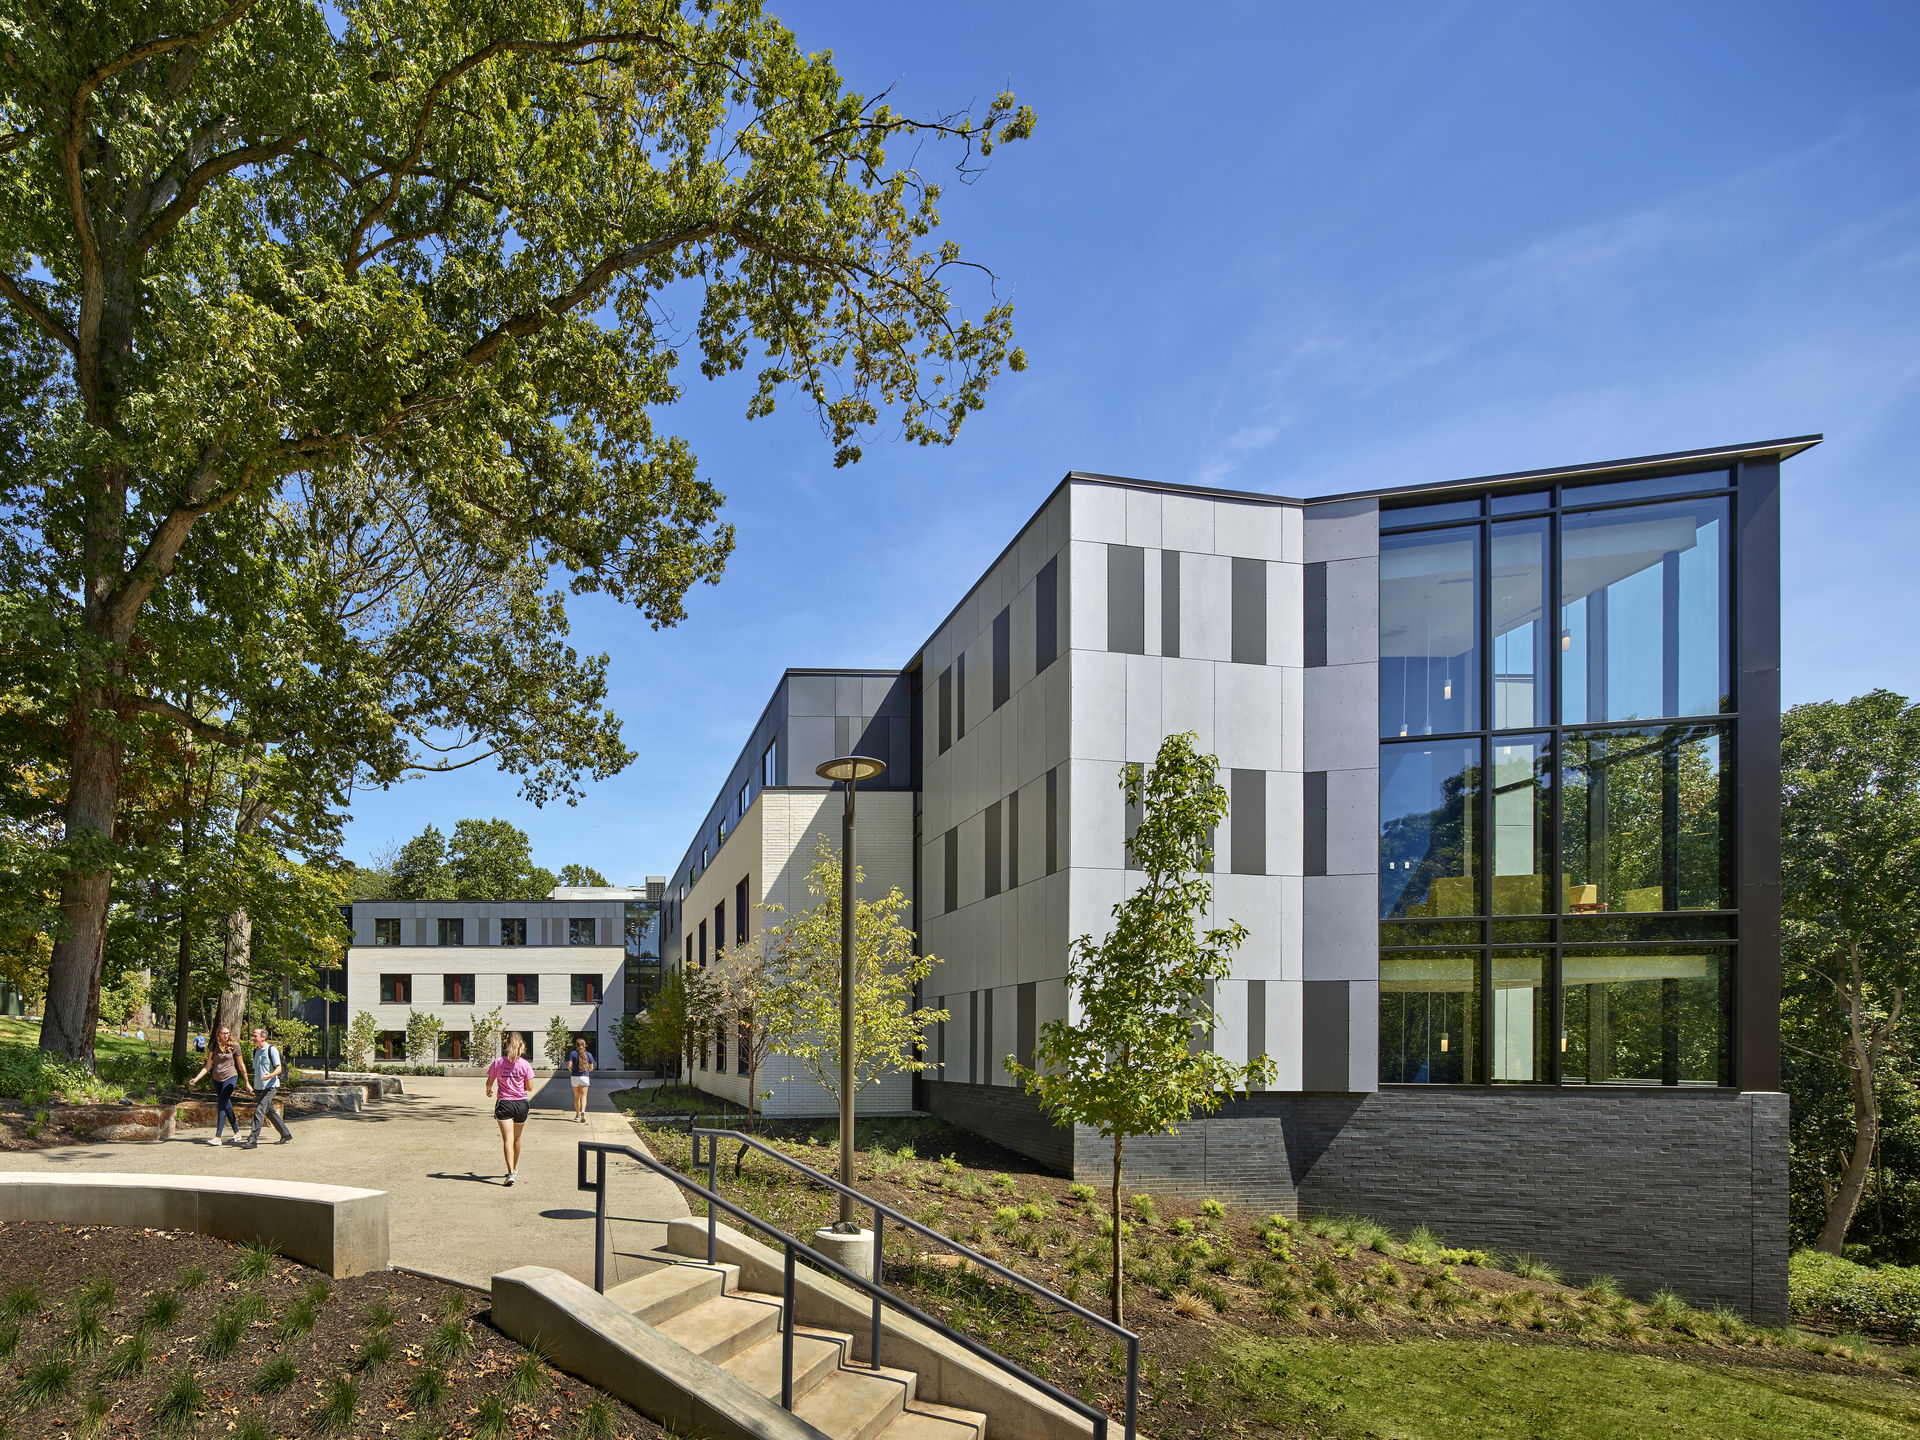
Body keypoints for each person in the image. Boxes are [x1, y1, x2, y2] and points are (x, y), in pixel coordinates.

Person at [187, 1025, 251, 1146]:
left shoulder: (234, 1046)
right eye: (223, 1033)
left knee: (221, 1105)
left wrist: (247, 1081)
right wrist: (196, 1078)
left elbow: (241, 1065)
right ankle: (237, 1133)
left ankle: (218, 1137)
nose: (226, 1035)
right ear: (218, 1034)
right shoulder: (214, 1046)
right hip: (217, 1079)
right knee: (227, 1106)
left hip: (230, 1078)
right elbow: (208, 1065)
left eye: (227, 1033)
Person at [485, 1033, 535, 1184]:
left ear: (506, 1045)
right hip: (521, 1104)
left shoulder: (498, 1062)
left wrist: (489, 1090)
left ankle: (510, 1172)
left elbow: (489, 1082)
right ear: (522, 1046)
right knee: (517, 1138)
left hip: (504, 1103)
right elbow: (530, 1088)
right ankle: (515, 1167)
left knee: (508, 1139)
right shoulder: (525, 1065)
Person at [236, 1026, 293, 1149]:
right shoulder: (255, 1051)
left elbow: (279, 1068)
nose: (253, 1038)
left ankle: (253, 1139)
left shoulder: (271, 1050)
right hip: (258, 1087)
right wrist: (249, 1084)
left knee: (260, 1110)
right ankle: (285, 1133)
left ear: (263, 1037)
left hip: (270, 1086)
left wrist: (271, 1075)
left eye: (255, 1036)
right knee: (269, 1111)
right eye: (253, 1035)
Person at [567, 1036, 596, 1124]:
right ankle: (583, 1111)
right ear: (584, 1045)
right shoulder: (589, 1054)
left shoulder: (572, 1054)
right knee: (584, 1096)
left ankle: (577, 1115)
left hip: (574, 1077)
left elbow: (569, 1066)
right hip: (585, 1077)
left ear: (576, 1045)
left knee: (577, 1097)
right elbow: (591, 1068)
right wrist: (586, 1071)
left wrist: (573, 1071)